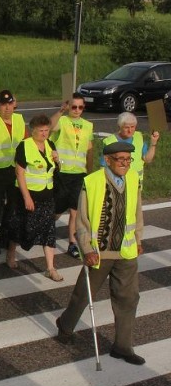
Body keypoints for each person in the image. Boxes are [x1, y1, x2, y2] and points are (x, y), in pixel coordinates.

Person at [55, 141, 145, 365]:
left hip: (125, 251)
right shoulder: (92, 182)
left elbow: (137, 212)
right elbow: (82, 221)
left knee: (128, 298)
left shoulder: (133, 179)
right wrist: (86, 248)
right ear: (107, 160)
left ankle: (123, 347)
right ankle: (65, 325)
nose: (124, 163)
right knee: (83, 294)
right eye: (120, 159)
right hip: (99, 252)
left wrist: (138, 240)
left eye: (128, 159)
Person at [6, 114, 63, 280]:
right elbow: (19, 172)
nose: (44, 134)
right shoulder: (24, 146)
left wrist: (58, 161)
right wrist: (27, 197)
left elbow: (53, 169)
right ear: (32, 131)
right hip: (28, 194)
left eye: (46, 130)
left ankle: (50, 268)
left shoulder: (50, 144)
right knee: (20, 226)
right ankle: (11, 253)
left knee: (49, 230)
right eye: (41, 131)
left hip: (47, 194)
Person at [0, 89, 27, 254]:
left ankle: (5, 235)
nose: (7, 108)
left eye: (9, 104)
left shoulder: (19, 120)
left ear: (13, 104)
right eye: (3, 105)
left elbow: (25, 143)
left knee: (12, 206)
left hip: (14, 170)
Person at [50, 94, 94, 257]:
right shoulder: (62, 120)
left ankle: (72, 243)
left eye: (80, 107)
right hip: (62, 172)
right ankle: (47, 225)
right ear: (69, 107)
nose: (76, 110)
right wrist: (60, 111)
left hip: (79, 173)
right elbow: (50, 127)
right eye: (73, 107)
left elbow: (89, 149)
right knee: (57, 209)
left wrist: (89, 172)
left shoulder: (88, 125)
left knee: (75, 210)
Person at [101, 112, 158, 185]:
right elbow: (103, 167)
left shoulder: (139, 137)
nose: (130, 130)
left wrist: (153, 143)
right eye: (127, 127)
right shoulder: (109, 141)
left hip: (136, 183)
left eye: (133, 127)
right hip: (116, 184)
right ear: (120, 126)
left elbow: (147, 159)